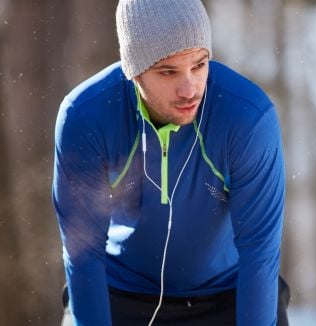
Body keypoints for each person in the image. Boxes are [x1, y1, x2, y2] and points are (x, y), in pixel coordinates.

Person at [53, 0, 289, 325]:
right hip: (120, 292)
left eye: (199, 64)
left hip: (228, 293)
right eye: (168, 71)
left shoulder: (247, 117)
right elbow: (83, 253)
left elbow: (259, 252)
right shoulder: (86, 115)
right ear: (133, 70)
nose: (190, 88)